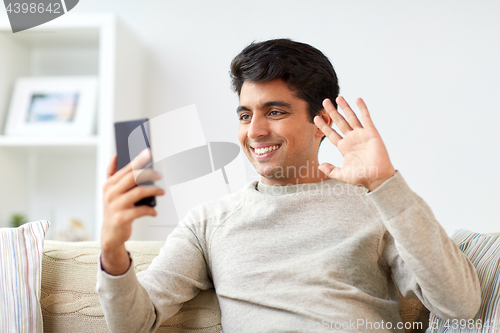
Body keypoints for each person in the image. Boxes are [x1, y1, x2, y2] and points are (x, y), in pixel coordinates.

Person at [96, 39, 481, 332]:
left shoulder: (378, 206)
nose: (255, 131)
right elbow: (134, 322)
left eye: (275, 112)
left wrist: (386, 184)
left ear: (320, 122)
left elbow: (460, 305)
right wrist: (112, 249)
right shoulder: (208, 222)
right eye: (246, 115)